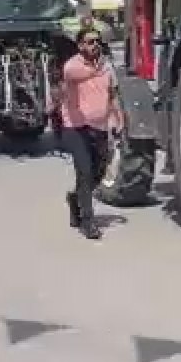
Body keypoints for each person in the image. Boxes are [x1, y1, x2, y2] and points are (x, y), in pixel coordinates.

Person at [56, 27, 121, 240]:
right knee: (84, 172)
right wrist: (101, 68)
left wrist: (117, 117)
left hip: (100, 127)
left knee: (99, 172)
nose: (95, 45)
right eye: (90, 42)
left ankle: (75, 199)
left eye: (97, 41)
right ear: (80, 46)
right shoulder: (73, 66)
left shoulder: (107, 67)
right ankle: (88, 222)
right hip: (76, 127)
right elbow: (72, 75)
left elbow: (112, 95)